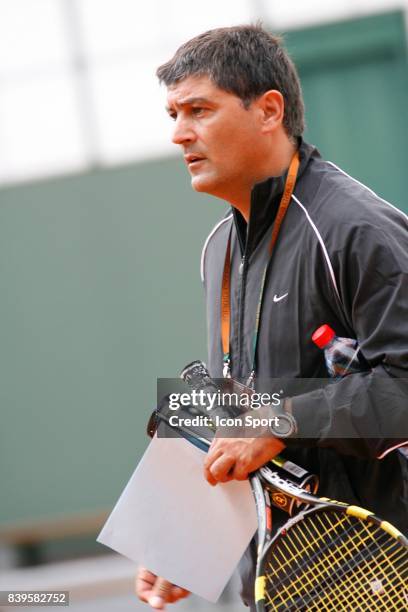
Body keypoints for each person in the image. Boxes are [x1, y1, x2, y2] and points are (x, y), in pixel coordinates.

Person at [136, 24, 408, 610]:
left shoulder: (359, 231)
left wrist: (282, 420)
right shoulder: (218, 250)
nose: (180, 134)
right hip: (280, 581)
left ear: (268, 110)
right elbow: (238, 416)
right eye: (173, 114)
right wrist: (188, 539)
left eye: (199, 110)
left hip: (382, 576)